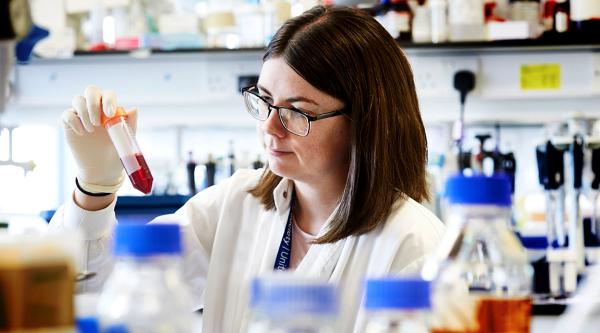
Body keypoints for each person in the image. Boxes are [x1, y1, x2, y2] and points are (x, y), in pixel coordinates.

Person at [50, 5, 444, 333]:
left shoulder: (413, 243)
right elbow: (103, 292)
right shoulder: (238, 203)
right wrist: (94, 189)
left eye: (296, 112)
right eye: (265, 101)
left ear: (365, 121)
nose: (269, 127)